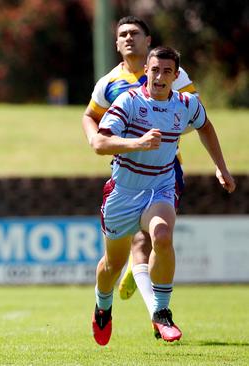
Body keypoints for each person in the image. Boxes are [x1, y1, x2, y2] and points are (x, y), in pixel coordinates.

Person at [90, 46, 235, 345]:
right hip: (123, 192)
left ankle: (162, 311)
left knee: (163, 235)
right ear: (146, 70)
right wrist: (138, 144)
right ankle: (103, 305)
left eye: (167, 71)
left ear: (176, 75)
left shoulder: (186, 104)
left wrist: (221, 168)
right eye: (155, 70)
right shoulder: (128, 101)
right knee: (111, 266)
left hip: (161, 186)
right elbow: (100, 143)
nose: (160, 76)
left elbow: (205, 127)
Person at [82, 16, 199, 316]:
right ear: (117, 43)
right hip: (128, 171)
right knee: (136, 243)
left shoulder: (171, 72)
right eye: (123, 34)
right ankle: (138, 273)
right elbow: (89, 116)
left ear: (149, 42)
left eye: (135, 33)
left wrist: (165, 131)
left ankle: (156, 307)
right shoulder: (109, 84)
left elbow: (193, 110)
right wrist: (97, 139)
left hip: (168, 170)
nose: (128, 38)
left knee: (156, 236)